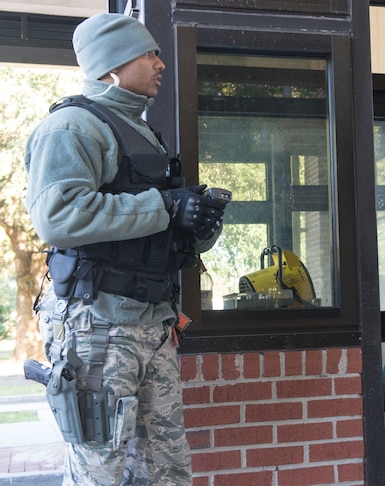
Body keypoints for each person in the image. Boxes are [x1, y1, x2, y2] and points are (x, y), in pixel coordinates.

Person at [24, 13, 226, 485]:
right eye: (149, 53)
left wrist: (196, 223)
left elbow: (156, 223)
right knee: (101, 470)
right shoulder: (73, 127)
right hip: (97, 326)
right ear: (112, 64)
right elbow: (58, 217)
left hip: (151, 324)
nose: (160, 64)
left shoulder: (142, 131)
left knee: (165, 467)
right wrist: (165, 206)